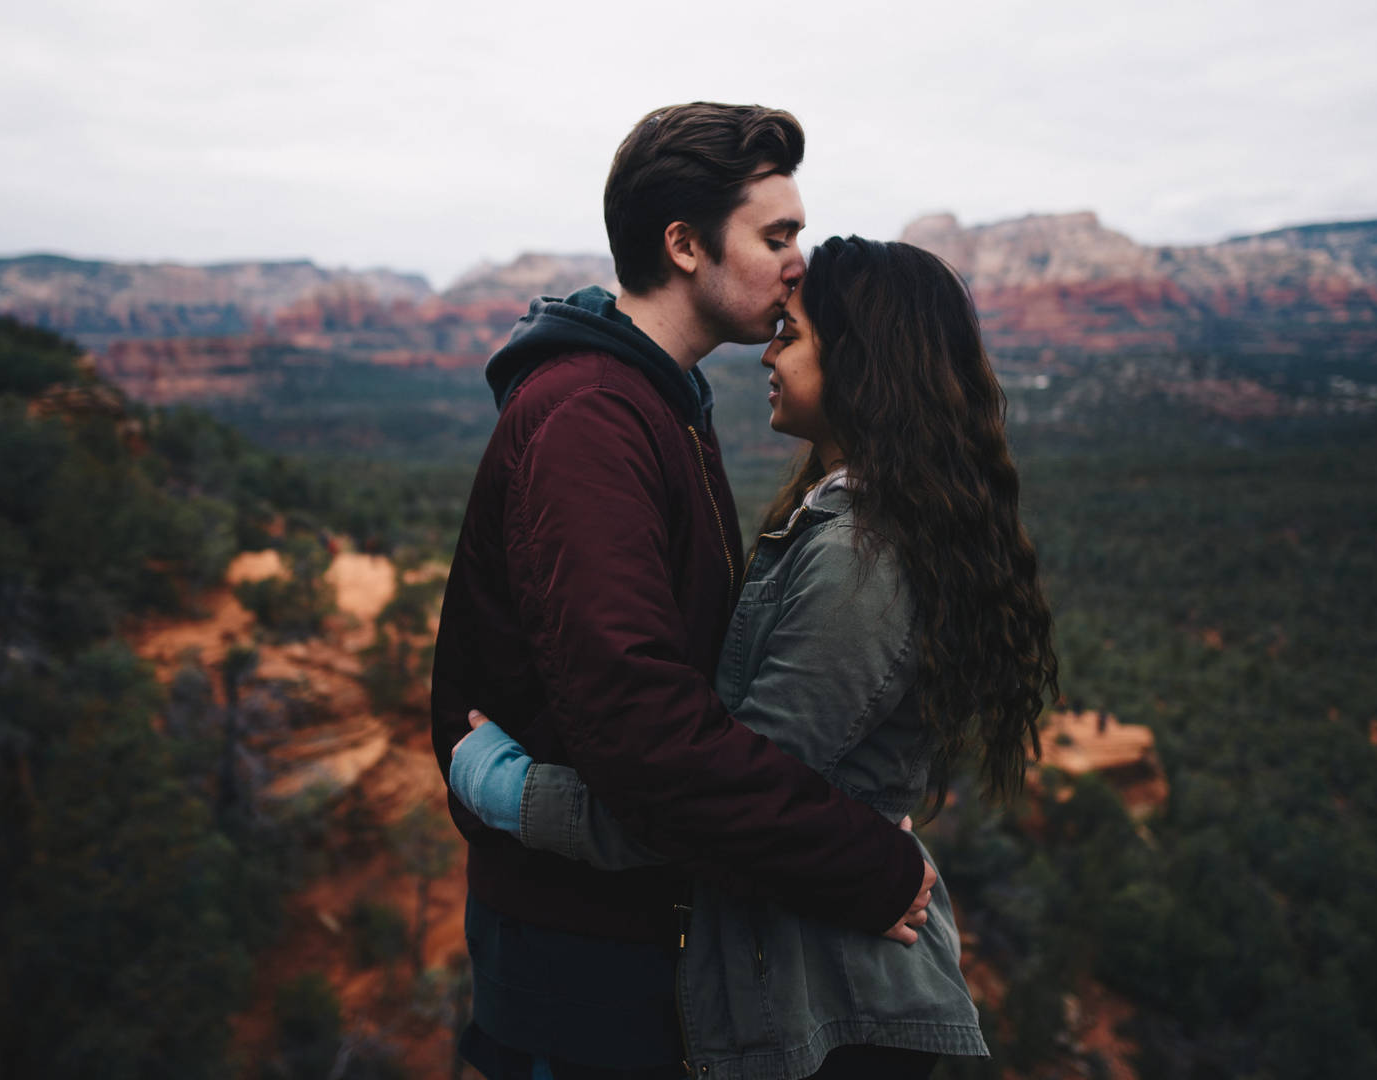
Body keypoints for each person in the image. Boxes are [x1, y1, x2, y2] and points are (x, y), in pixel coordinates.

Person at [450, 235, 1061, 1079]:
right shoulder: (846, 521)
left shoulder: (861, 557)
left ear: (862, 365)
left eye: (792, 333)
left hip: (839, 1010)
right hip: (819, 984)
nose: (768, 353)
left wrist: (511, 792)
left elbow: (722, 801)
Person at [429, 106, 938, 1080]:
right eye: (776, 235)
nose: (800, 262)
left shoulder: (660, 399)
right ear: (684, 245)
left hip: (635, 942)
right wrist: (867, 861)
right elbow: (643, 726)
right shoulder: (591, 416)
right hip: (579, 970)